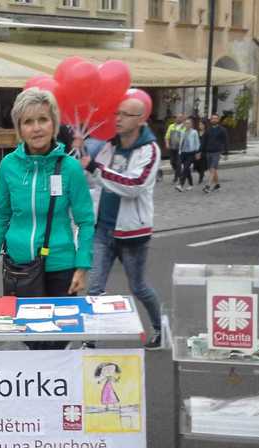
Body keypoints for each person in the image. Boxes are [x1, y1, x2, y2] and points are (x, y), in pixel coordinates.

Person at [0, 88, 95, 350]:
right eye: (28, 122)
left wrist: (83, 266)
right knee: (30, 337)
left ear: (54, 123)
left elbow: (86, 221)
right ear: (19, 128)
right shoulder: (8, 165)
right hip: (20, 268)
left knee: (54, 342)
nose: (36, 128)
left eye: (43, 119)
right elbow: (2, 213)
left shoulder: (70, 168)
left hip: (59, 268)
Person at [82, 91, 164, 350]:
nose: (118, 119)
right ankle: (91, 342)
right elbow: (95, 180)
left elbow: (134, 185)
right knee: (93, 290)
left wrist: (96, 168)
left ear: (141, 119)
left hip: (132, 233)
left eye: (125, 114)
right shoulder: (110, 145)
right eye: (117, 113)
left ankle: (160, 327)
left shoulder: (149, 150)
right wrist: (82, 159)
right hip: (102, 229)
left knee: (138, 287)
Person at [201, 114, 229, 193]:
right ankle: (217, 185)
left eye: (216, 118)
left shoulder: (222, 130)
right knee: (212, 170)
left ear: (218, 120)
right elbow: (203, 142)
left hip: (217, 152)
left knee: (213, 168)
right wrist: (200, 151)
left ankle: (208, 186)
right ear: (211, 120)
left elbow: (226, 141)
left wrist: (226, 153)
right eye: (213, 118)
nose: (214, 120)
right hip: (208, 152)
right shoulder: (208, 130)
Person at [176, 117, 199, 192]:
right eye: (186, 123)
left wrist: (197, 152)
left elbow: (197, 143)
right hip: (182, 152)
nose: (187, 124)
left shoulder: (194, 132)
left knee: (185, 168)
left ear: (192, 124)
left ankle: (180, 184)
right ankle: (191, 184)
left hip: (191, 153)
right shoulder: (182, 131)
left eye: (188, 123)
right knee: (185, 168)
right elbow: (177, 132)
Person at [164, 113, 185, 185]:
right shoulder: (171, 126)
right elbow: (167, 136)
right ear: (176, 118)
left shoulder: (184, 127)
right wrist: (167, 143)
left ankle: (176, 177)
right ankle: (179, 173)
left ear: (183, 119)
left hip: (181, 148)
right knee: (172, 162)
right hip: (172, 147)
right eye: (178, 117)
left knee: (178, 163)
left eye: (181, 117)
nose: (179, 119)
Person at [193, 119, 208, 184]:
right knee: (196, 165)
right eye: (199, 125)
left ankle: (201, 177)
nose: (200, 126)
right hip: (197, 150)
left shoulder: (207, 132)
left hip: (204, 151)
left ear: (204, 125)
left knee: (202, 165)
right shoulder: (197, 132)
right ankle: (201, 173)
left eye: (202, 125)